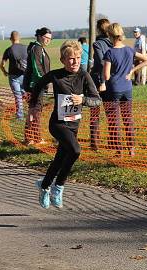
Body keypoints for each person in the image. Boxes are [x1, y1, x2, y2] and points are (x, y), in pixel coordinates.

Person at [28, 40, 102, 209]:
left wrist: (82, 100)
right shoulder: (56, 75)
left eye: (77, 58)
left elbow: (97, 100)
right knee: (75, 150)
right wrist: (33, 107)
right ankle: (58, 186)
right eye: (70, 58)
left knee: (60, 159)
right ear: (62, 60)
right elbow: (38, 85)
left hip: (73, 125)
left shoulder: (84, 75)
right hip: (57, 124)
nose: (75, 62)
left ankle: (44, 185)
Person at [103, 23, 147, 157]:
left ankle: (119, 150)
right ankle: (131, 149)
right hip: (127, 88)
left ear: (110, 36)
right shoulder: (129, 50)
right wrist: (132, 71)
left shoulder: (109, 52)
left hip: (114, 89)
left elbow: (106, 75)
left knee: (114, 120)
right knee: (128, 119)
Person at [23, 27, 52, 145]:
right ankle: (36, 138)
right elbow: (37, 68)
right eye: (46, 38)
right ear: (40, 36)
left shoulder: (39, 48)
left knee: (33, 110)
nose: (48, 40)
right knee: (35, 111)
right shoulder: (37, 48)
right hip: (35, 85)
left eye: (50, 38)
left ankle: (30, 137)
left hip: (36, 84)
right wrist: (44, 81)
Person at [89, 18, 113, 151]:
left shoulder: (97, 44)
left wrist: (103, 79)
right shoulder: (114, 43)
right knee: (111, 112)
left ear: (98, 29)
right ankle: (112, 140)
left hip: (98, 80)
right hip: (111, 79)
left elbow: (101, 62)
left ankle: (95, 142)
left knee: (95, 112)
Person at [0, 31, 27, 120]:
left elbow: (2, 64)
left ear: (10, 39)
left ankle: (20, 117)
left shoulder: (9, 50)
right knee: (25, 94)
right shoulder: (26, 48)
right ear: (19, 38)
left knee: (18, 96)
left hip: (13, 77)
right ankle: (32, 111)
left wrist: (4, 72)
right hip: (25, 75)